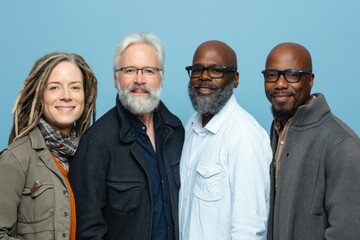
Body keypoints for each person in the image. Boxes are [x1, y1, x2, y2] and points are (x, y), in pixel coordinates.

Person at [68, 32, 185, 240]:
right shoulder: (96, 143)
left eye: (149, 71)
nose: (139, 80)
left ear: (161, 78)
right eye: (130, 70)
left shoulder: (175, 131)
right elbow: (88, 231)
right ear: (116, 79)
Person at [262, 42, 360, 240]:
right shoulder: (278, 129)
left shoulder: (341, 144)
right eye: (272, 75)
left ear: (311, 80)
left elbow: (347, 232)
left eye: (292, 75)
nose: (280, 84)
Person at [179, 40, 272, 240]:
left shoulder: (244, 136)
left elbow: (249, 230)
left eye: (215, 70)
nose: (204, 77)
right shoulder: (191, 125)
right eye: (197, 69)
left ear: (235, 79)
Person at [0, 52, 97, 240]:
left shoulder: (92, 155)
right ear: (39, 93)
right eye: (54, 88)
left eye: (75, 87)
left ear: (85, 95)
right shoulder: (16, 158)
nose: (66, 96)